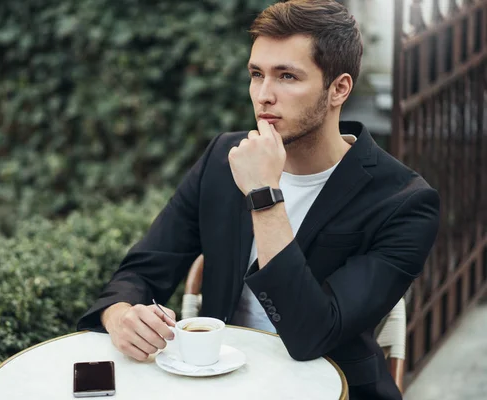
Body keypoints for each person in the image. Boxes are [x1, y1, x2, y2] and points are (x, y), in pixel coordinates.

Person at [77, 1, 440, 399]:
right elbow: (142, 271)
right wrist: (121, 316)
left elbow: (312, 334)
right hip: (219, 385)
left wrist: (263, 195)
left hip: (333, 389)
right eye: (256, 74)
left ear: (339, 88)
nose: (264, 95)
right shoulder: (223, 158)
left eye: (287, 76)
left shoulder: (404, 202)